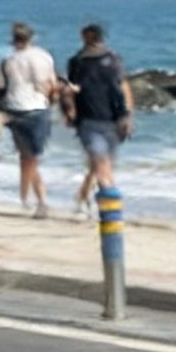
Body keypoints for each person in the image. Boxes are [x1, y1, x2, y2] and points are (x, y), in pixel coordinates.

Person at [63, 22, 133, 216]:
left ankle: (89, 201)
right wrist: (128, 115)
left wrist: (69, 112)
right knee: (102, 165)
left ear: (87, 37)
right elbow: (123, 87)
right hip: (107, 119)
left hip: (97, 119)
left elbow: (70, 91)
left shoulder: (78, 61)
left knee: (101, 165)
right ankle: (106, 211)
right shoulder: (112, 59)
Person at [0, 22, 59, 217]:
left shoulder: (8, 60)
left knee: (27, 157)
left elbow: (1, 87)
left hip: (14, 108)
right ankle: (36, 199)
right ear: (32, 37)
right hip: (37, 108)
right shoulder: (44, 56)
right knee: (32, 158)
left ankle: (29, 198)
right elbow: (51, 85)